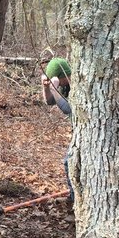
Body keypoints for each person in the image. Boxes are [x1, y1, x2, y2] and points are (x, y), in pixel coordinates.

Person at [40, 57, 73, 201]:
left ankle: (74, 200)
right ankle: (74, 198)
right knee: (69, 162)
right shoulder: (65, 85)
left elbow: (67, 109)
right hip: (77, 131)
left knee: (69, 161)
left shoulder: (76, 85)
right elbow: (49, 101)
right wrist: (46, 87)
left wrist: (54, 88)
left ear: (63, 75)